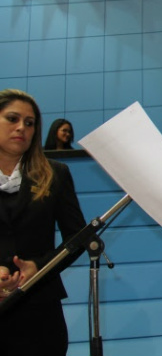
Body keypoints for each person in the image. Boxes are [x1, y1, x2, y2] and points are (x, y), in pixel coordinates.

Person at [0, 89, 86, 356]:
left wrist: (39, 266)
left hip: (40, 305)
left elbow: (78, 238)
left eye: (29, 123)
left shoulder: (56, 174)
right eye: (12, 119)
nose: (21, 128)